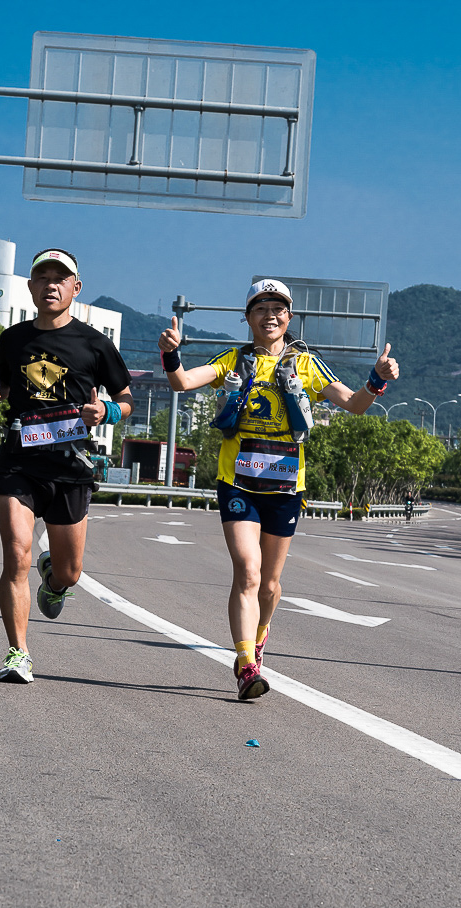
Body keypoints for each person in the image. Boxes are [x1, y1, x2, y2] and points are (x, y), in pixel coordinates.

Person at [158, 278, 399, 701]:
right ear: (247, 317)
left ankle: (260, 633)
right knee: (247, 571)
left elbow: (354, 404)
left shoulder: (306, 364)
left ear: (289, 317)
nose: (269, 316)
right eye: (260, 308)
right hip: (238, 482)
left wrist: (376, 380)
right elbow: (182, 382)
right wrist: (171, 353)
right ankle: (245, 664)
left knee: (269, 585)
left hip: (285, 486)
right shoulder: (234, 360)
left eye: (278, 309)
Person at [0, 248, 134, 683]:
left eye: (59, 278)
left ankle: (55, 580)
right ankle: (18, 653)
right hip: (19, 461)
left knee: (70, 572)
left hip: (70, 466)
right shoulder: (13, 339)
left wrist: (107, 412)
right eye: (42, 277)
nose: (50, 285)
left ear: (75, 288)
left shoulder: (95, 343)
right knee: (15, 554)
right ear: (30, 286)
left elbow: (125, 399)